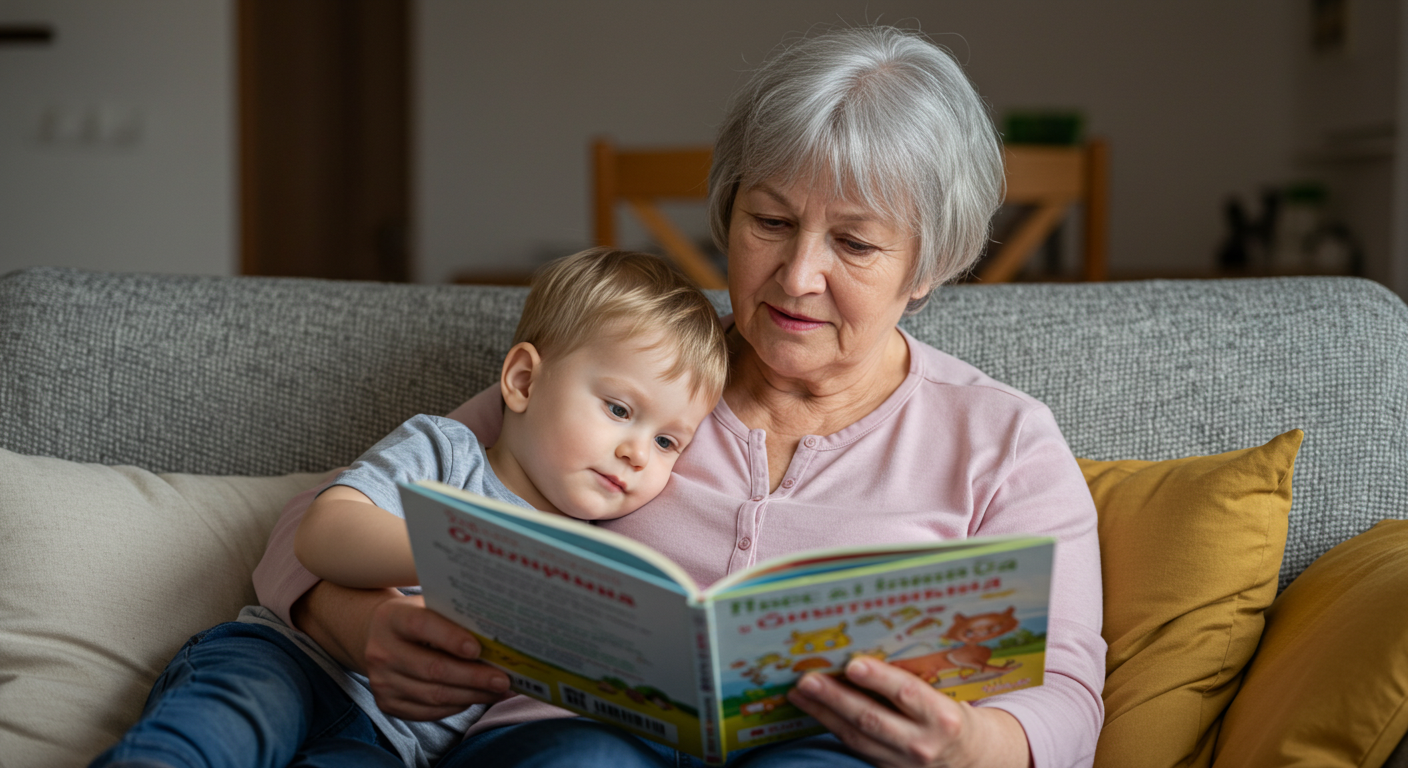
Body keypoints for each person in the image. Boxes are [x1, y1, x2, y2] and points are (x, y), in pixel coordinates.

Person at [257, 25, 1106, 768]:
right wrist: (359, 627)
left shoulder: (1003, 439)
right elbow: (309, 531)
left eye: (853, 242)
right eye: (769, 222)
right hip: (567, 736)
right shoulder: (638, 369)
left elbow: (1066, 690)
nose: (798, 276)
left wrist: (969, 748)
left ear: (927, 268)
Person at [90, 248, 728, 768]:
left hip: (396, 746)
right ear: (524, 382)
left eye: (668, 440)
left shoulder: (601, 554)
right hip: (288, 664)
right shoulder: (446, 453)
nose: (637, 452)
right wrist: (475, 557)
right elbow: (324, 533)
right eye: (619, 410)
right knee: (209, 737)